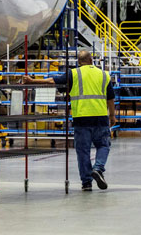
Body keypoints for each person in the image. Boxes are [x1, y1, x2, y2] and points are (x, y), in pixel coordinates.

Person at [23, 50, 115, 192]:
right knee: (103, 145)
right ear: (91, 61)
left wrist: (32, 81)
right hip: (101, 118)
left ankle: (86, 183)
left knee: (83, 151)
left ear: (79, 62)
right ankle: (98, 168)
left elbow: (52, 81)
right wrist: (112, 116)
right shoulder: (104, 75)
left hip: (81, 118)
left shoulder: (73, 74)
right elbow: (110, 98)